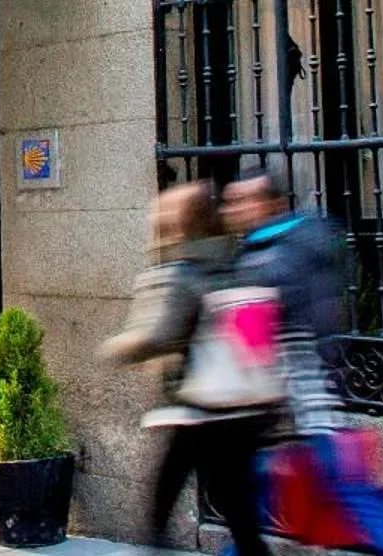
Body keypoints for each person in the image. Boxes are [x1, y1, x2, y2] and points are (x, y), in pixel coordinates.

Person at [224, 172, 383, 556]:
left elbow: (258, 332)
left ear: (272, 203)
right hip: (283, 406)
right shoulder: (275, 247)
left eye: (245, 200)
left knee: (353, 495)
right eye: (232, 201)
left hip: (307, 401)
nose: (235, 209)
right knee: (256, 499)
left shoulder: (276, 253)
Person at [103, 181, 276, 556]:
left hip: (202, 410)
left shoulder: (185, 273)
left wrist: (118, 348)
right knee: (237, 509)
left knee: (162, 501)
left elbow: (160, 337)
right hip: (248, 406)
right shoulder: (238, 263)